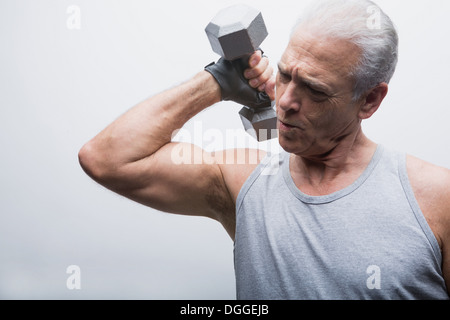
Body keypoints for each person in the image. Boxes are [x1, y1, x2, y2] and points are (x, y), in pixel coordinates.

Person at [78, 0, 449, 299]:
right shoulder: (245, 181)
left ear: (369, 100)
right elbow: (107, 159)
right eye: (286, 75)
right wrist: (217, 82)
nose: (285, 101)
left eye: (314, 90)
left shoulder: (437, 198)